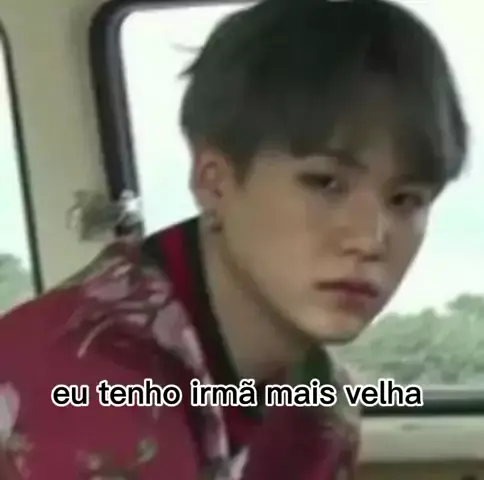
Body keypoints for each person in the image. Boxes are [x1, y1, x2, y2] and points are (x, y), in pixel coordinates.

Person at [0, 0, 468, 478]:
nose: (370, 240)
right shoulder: (88, 385)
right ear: (215, 183)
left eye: (405, 199)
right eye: (325, 183)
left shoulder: (317, 402)